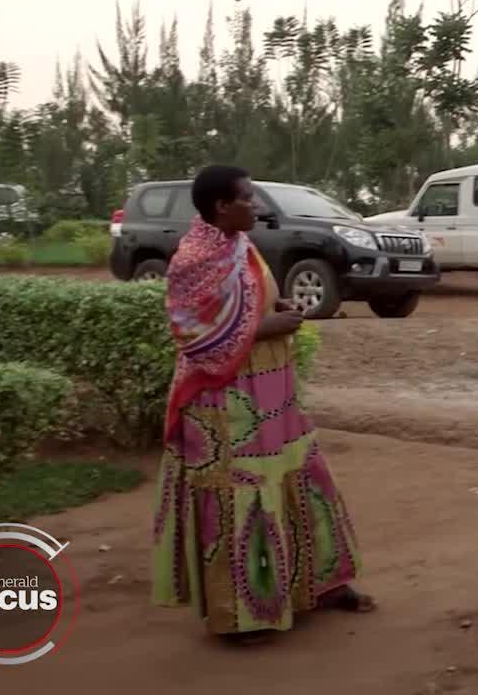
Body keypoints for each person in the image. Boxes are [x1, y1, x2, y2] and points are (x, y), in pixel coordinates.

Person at [151, 165, 375, 643]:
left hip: (272, 391)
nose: (255, 206)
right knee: (240, 497)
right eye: (248, 199)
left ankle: (319, 586)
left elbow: (246, 308)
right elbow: (192, 335)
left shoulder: (238, 246)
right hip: (224, 404)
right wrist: (265, 329)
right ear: (221, 208)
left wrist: (278, 312)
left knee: (299, 478)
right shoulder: (194, 259)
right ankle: (242, 614)